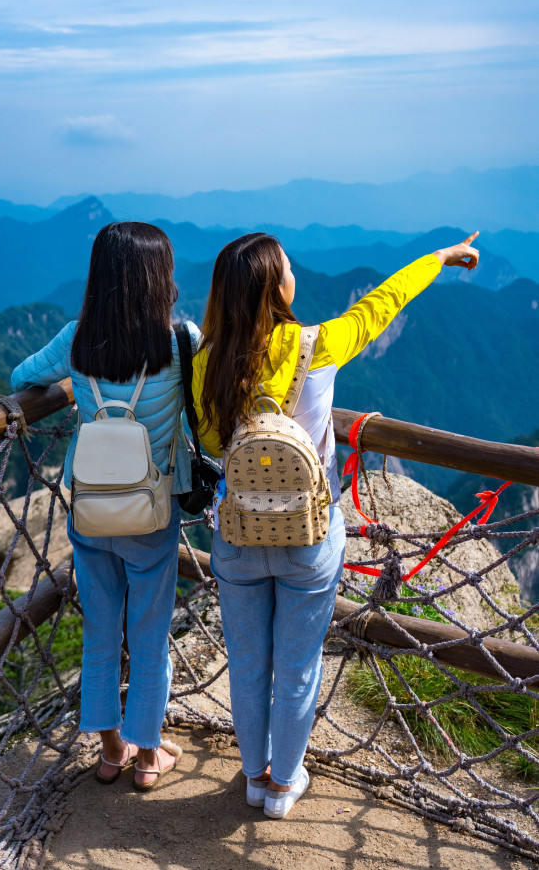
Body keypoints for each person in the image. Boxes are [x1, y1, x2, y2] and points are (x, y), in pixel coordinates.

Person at [192, 231, 480, 818]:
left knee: (247, 664)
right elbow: (380, 305)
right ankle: (283, 786)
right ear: (276, 286)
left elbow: (212, 443)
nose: (296, 272)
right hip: (308, 534)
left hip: (237, 535)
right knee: (298, 666)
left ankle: (253, 778)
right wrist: (440, 259)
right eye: (288, 266)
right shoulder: (318, 344)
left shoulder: (203, 362)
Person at [10, 222, 200, 791]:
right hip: (153, 512)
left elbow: (21, 377)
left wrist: (74, 389)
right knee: (148, 633)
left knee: (100, 631)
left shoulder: (76, 339)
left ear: (102, 277)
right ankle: (148, 757)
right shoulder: (180, 340)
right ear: (158, 278)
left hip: (89, 511)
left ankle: (110, 751)